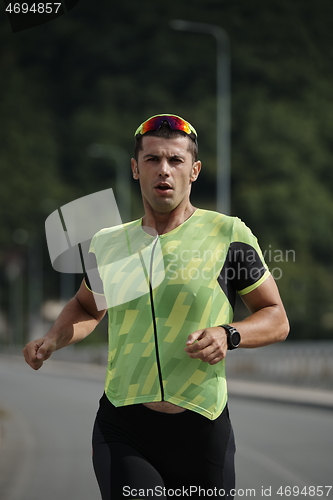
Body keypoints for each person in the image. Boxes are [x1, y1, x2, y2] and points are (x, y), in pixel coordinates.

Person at [23, 114, 289, 500]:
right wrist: (51, 339)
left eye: (176, 160)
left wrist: (229, 334)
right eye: (152, 160)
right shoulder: (110, 244)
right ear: (135, 168)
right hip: (124, 425)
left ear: (194, 170)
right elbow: (86, 308)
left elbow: (276, 317)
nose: (164, 170)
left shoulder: (227, 234)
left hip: (201, 424)